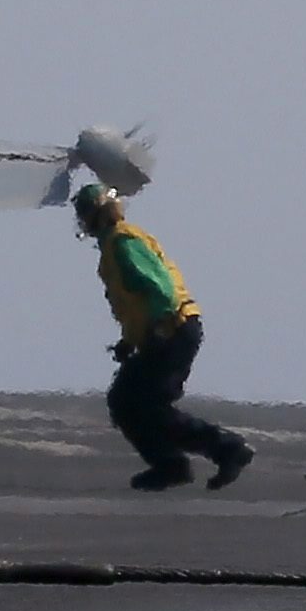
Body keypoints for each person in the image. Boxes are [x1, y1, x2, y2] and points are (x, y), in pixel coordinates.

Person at [74, 182, 253, 492]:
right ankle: (182, 461)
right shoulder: (113, 247)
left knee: (145, 405)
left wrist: (158, 329)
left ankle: (213, 453)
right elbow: (135, 304)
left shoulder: (122, 244)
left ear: (94, 216)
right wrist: (129, 342)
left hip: (174, 330)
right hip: (167, 332)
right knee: (128, 402)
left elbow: (161, 291)